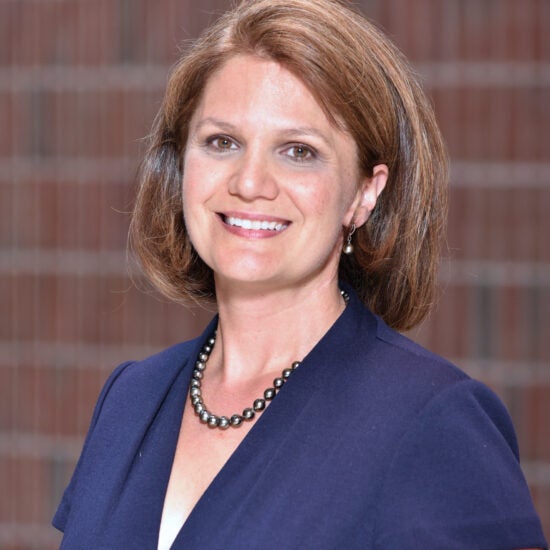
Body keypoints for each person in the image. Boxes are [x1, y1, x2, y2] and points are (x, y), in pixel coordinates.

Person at [53, 1, 547, 548]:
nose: (250, 182)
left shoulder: (432, 421)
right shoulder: (131, 400)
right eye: (222, 142)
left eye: (298, 151)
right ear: (181, 163)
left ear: (364, 194)